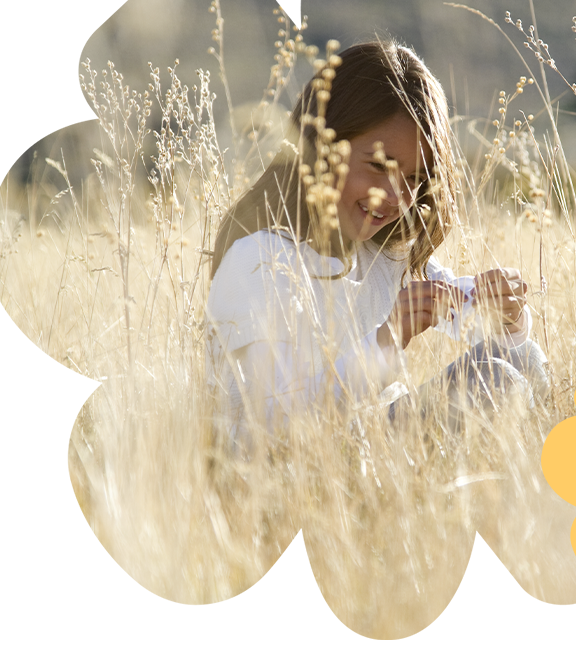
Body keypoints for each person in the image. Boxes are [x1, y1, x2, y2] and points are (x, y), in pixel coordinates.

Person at [204, 39, 549, 442]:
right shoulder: (259, 258)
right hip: (309, 470)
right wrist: (387, 339)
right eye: (377, 166)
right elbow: (270, 429)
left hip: (379, 455)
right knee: (497, 381)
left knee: (520, 361)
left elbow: (476, 321)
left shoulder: (383, 255)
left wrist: (504, 314)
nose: (394, 196)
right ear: (323, 145)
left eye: (414, 180)